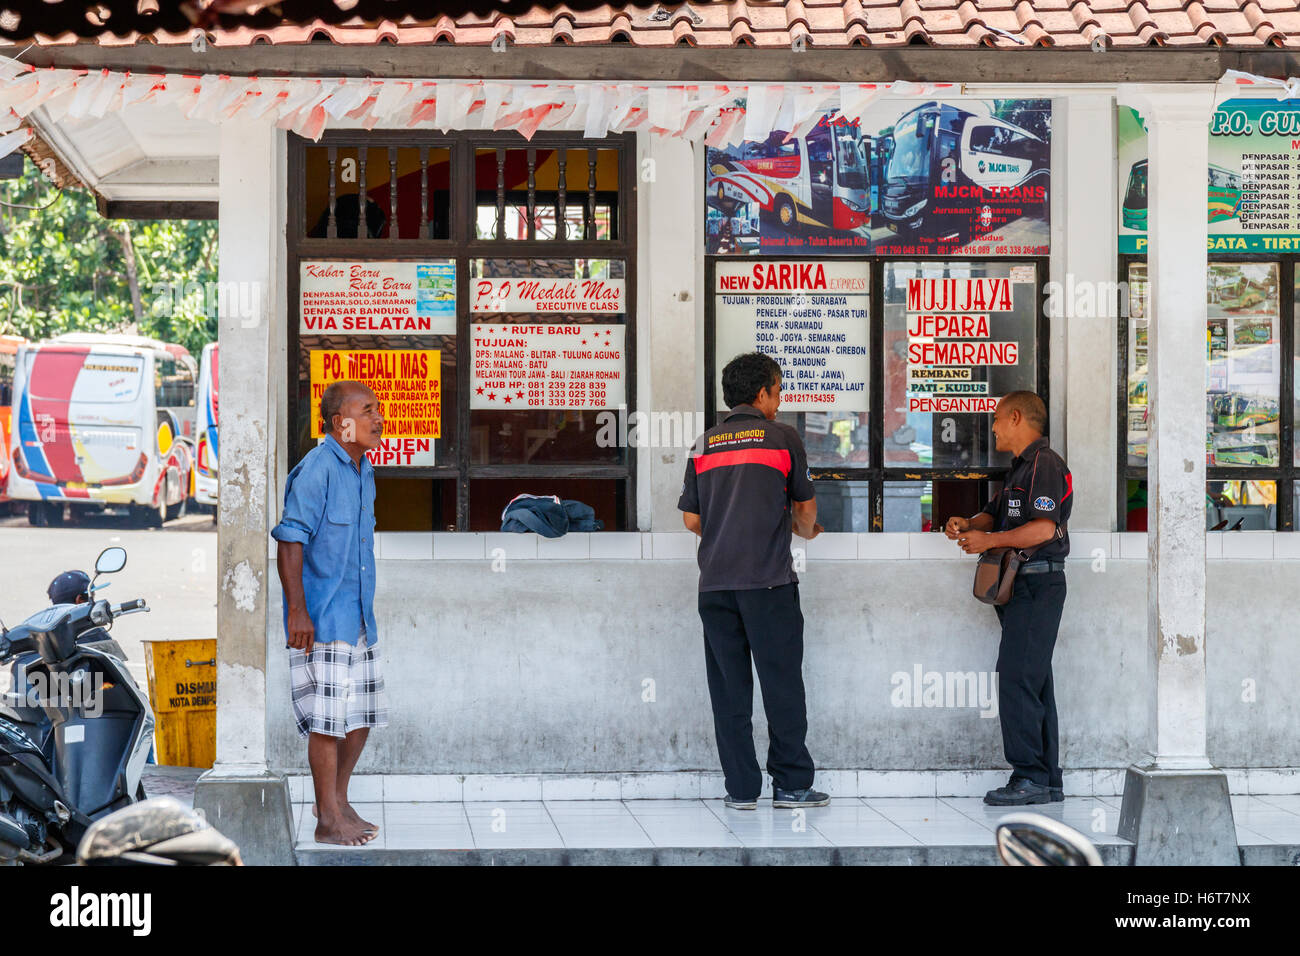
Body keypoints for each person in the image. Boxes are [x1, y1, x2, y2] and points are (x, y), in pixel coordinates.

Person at [678, 351, 828, 811]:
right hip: (769, 585)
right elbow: (804, 515)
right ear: (761, 393)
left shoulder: (704, 443)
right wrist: (804, 531)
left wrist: (727, 528)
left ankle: (741, 790)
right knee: (782, 685)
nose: (780, 401)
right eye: (778, 391)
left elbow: (690, 520)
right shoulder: (783, 438)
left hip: (716, 586)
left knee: (729, 692)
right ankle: (791, 786)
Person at [271, 380, 388, 846]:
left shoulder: (364, 469)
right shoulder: (316, 469)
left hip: (359, 617)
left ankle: (335, 802)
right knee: (327, 722)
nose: (379, 417)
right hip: (322, 620)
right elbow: (290, 539)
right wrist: (298, 612)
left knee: (361, 717)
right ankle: (326, 822)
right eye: (367, 410)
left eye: (378, 409)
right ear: (342, 424)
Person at [944, 391, 1072, 807]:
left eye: (997, 419)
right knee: (1032, 682)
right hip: (1021, 587)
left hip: (1038, 585)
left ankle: (1029, 777)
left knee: (1017, 679)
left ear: (1017, 417)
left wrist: (990, 539)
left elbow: (1042, 529)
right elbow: (995, 513)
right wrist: (968, 523)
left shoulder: (1045, 464)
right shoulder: (1020, 468)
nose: (993, 427)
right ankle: (1045, 779)